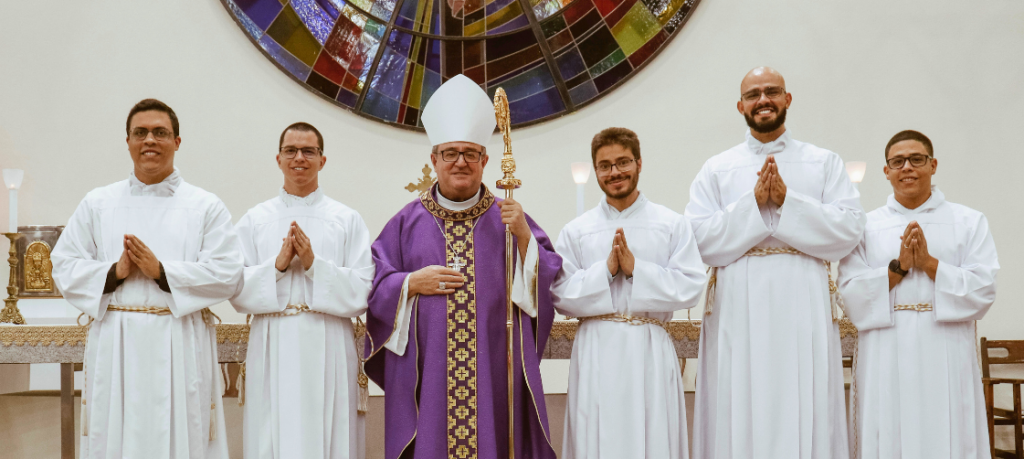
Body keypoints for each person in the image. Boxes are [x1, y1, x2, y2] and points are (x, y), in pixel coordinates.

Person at [363, 74, 560, 459]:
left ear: (485, 160)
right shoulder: (406, 222)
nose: (460, 162)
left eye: (470, 153)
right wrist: (410, 283)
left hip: (493, 367)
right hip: (429, 375)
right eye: (450, 152)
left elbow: (549, 274)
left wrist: (522, 237)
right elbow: (375, 282)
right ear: (433, 159)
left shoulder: (509, 217)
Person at [684, 67, 865, 459]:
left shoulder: (824, 162)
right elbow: (698, 240)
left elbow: (849, 230)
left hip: (802, 295)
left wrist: (787, 202)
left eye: (771, 91)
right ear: (740, 106)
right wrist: (752, 205)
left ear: (787, 99)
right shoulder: (717, 168)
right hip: (738, 301)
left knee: (804, 391)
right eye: (753, 94)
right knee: (740, 394)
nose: (762, 100)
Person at [51, 99, 243, 458]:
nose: (150, 140)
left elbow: (229, 273)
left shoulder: (204, 205)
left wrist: (163, 272)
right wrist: (114, 272)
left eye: (160, 132)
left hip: (179, 339)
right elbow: (63, 265)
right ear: (127, 142)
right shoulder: (98, 203)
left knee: (180, 435)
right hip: (116, 341)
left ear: (177, 141)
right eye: (140, 133)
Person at [839, 130, 997, 459]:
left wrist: (929, 264)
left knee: (948, 425)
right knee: (888, 426)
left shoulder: (968, 221)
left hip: (946, 345)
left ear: (933, 164)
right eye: (897, 161)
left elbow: (984, 289)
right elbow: (850, 296)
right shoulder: (865, 227)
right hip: (886, 344)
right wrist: (898, 269)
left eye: (916, 159)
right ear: (886, 171)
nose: (907, 167)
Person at [551, 127, 705, 458]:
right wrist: (605, 271)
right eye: (605, 165)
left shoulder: (670, 224)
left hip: (648, 346)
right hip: (595, 348)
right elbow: (559, 295)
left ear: (638, 163)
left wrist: (637, 270)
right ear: (596, 171)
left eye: (623, 162)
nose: (615, 172)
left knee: (652, 434)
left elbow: (691, 285)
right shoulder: (576, 231)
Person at [230, 122, 374, 459]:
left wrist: (313, 265)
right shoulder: (255, 219)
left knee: (331, 433)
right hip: (272, 339)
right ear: (278, 159)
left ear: (322, 160)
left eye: (308, 151)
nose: (299, 158)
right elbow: (234, 288)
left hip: (330, 340)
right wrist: (278, 266)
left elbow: (363, 290)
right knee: (272, 433)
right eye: (291, 151)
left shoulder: (346, 219)